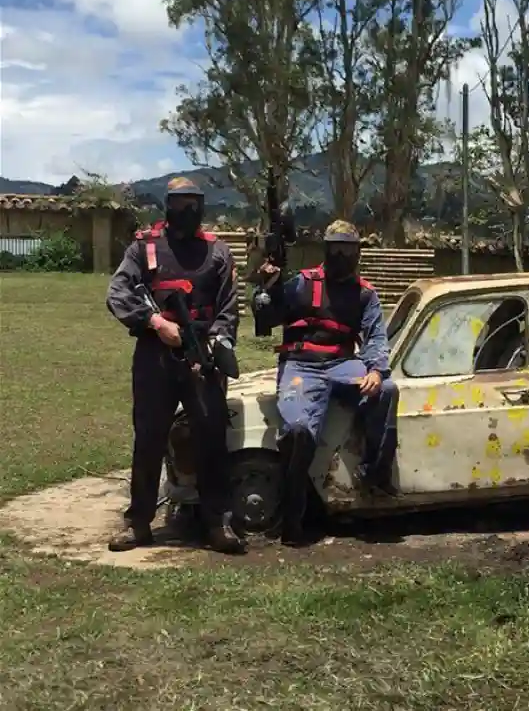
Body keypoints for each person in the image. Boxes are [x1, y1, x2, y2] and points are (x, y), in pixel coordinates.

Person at [105, 176, 246, 555]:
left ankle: (217, 522)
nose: (188, 210)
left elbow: (228, 308)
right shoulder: (144, 247)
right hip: (156, 354)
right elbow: (118, 292)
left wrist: (216, 345)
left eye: (194, 203)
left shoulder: (218, 252)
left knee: (211, 437)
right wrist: (156, 323)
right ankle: (138, 523)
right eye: (180, 203)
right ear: (167, 205)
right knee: (149, 438)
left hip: (201, 353)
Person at [255, 219, 400, 547]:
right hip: (301, 367)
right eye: (335, 248)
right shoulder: (303, 283)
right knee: (298, 431)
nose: (341, 256)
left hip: (343, 364)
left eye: (347, 249)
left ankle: (375, 474)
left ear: (358, 252)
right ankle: (293, 515)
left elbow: (376, 335)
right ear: (325, 249)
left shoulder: (365, 294)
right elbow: (270, 314)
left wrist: (376, 371)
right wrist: (268, 286)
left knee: (387, 391)